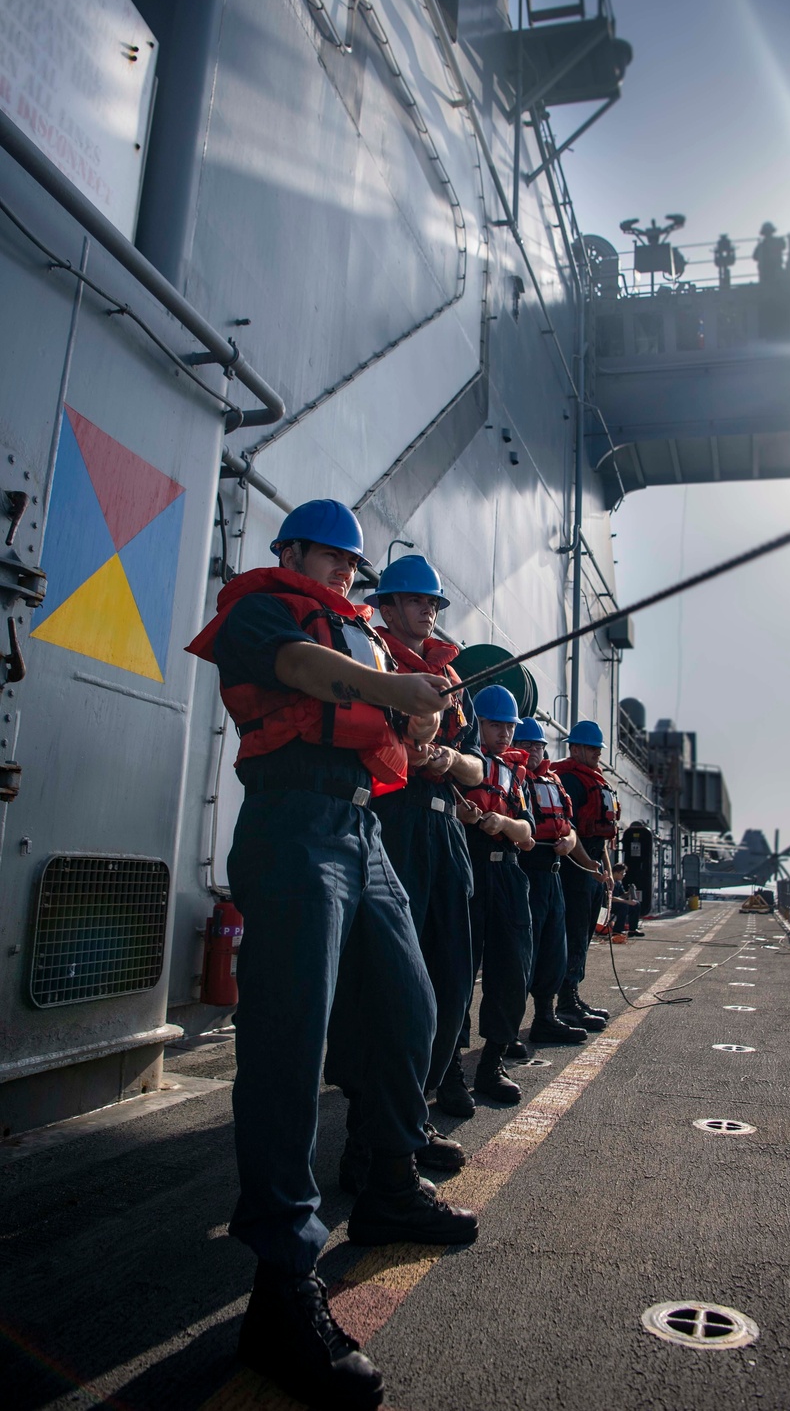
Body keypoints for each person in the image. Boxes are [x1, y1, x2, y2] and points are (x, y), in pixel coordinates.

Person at [187, 500, 477, 1411]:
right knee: (288, 1043)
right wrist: (397, 693)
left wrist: (423, 727)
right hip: (291, 823)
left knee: (411, 1009)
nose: (347, 576)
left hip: (362, 830)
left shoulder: (369, 640)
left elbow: (406, 734)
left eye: (355, 566)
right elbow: (297, 668)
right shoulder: (261, 608)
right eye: (333, 559)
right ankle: (280, 1291)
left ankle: (388, 1182)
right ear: (292, 552)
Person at [338, 553, 483, 1153]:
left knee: (450, 981)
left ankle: (412, 1113)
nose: (429, 611)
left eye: (434, 604)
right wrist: (408, 741)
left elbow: (476, 769)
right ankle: (366, 1133)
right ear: (389, 604)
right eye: (419, 601)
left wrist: (446, 759)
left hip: (447, 836)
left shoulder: (452, 681)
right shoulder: (364, 653)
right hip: (390, 824)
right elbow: (352, 729)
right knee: (386, 984)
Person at [442, 685, 535, 1110]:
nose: (504, 734)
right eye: (496, 725)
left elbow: (529, 835)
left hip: (509, 873)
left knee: (511, 968)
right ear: (479, 724)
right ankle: (449, 1072)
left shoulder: (518, 776)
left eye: (509, 727)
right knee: (458, 971)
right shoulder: (464, 766)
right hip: (470, 866)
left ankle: (492, 1063)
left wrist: (503, 822)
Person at [514, 717, 603, 1046]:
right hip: (525, 870)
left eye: (538, 745)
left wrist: (580, 854)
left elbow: (568, 826)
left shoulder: (552, 781)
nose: (533, 751)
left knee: (554, 949)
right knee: (523, 953)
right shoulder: (512, 777)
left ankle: (546, 1016)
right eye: (526, 745)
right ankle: (509, 1031)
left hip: (553, 872)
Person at [550, 721, 617, 1032]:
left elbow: (599, 835)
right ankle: (565, 1002)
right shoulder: (569, 780)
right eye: (589, 748)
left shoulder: (595, 780)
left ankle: (573, 996)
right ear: (574, 749)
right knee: (573, 934)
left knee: (584, 934)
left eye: (597, 750)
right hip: (575, 871)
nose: (595, 754)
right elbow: (570, 828)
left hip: (592, 870)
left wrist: (605, 869)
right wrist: (590, 865)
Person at [752, 221, 786, 285]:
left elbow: (754, 256)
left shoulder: (763, 244)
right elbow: (754, 256)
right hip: (767, 271)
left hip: (773, 270)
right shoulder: (762, 245)